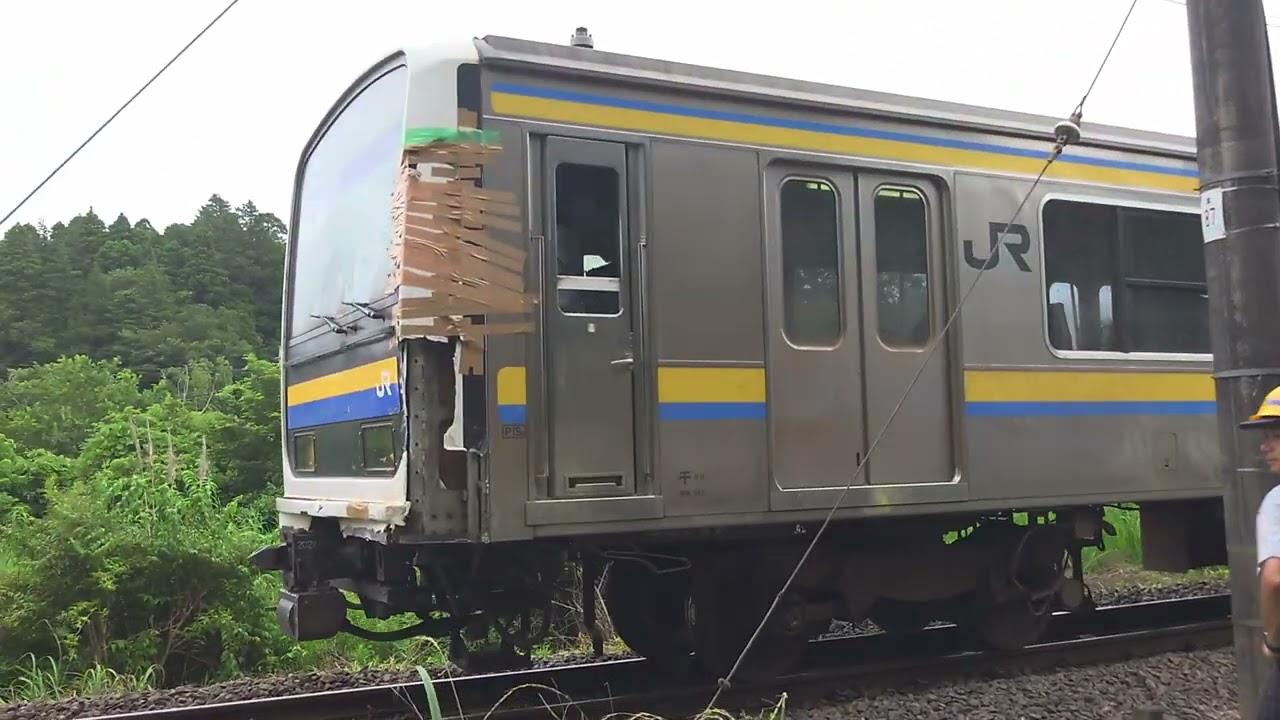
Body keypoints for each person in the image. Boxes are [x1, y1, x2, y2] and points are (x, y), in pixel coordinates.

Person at [1245, 385, 1280, 719]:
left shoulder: (1276, 502)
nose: (1264, 445)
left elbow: (1273, 579)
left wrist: (1273, 640)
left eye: (1276, 436)